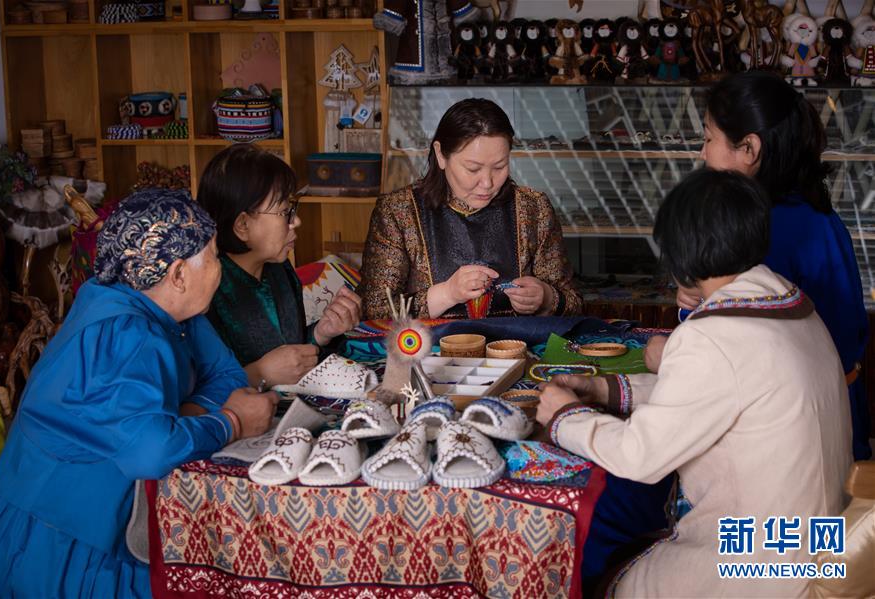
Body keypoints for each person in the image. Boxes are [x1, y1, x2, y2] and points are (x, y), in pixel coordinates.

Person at [538, 169, 852, 598]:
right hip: (820, 547)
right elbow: (714, 394)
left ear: (683, 255)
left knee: (595, 569)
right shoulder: (788, 303)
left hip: (756, 569)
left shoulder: (712, 334)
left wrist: (563, 417)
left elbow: (639, 456)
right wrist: (606, 390)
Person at [0, 189, 275, 598]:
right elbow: (149, 452)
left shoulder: (165, 309)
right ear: (178, 275)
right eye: (214, 256)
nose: (220, 268)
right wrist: (230, 422)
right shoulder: (126, 332)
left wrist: (185, 415)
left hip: (70, 529)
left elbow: (226, 375)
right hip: (55, 548)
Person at [645, 70, 870, 460]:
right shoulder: (809, 210)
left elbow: (732, 361)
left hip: (796, 435)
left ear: (749, 149)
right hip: (838, 412)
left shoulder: (761, 230)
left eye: (709, 138)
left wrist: (675, 344)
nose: (703, 153)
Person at [359, 98, 582, 320]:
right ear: (440, 155)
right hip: (431, 352)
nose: (487, 183)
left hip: (512, 350)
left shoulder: (534, 208)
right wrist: (447, 293)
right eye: (473, 169)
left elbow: (573, 302)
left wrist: (546, 298)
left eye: (499, 166)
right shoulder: (398, 211)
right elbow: (376, 310)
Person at [197, 144, 362, 388]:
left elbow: (289, 355)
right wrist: (257, 373)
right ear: (243, 225)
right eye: (286, 212)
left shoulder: (279, 270)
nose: (297, 221)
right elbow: (193, 397)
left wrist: (321, 334)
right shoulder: (206, 293)